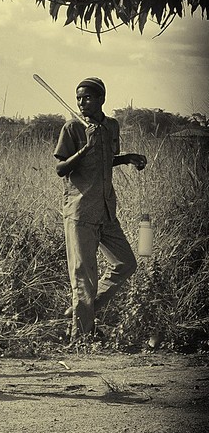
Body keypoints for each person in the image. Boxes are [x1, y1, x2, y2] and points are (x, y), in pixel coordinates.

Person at [53, 77, 147, 341]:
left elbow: (106, 159)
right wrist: (84, 149)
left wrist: (127, 158)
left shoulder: (111, 126)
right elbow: (61, 169)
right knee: (84, 277)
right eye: (79, 98)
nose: (82, 103)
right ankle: (81, 337)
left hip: (106, 210)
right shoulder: (72, 128)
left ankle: (81, 311)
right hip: (80, 212)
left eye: (88, 98)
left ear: (101, 100)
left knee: (126, 263)